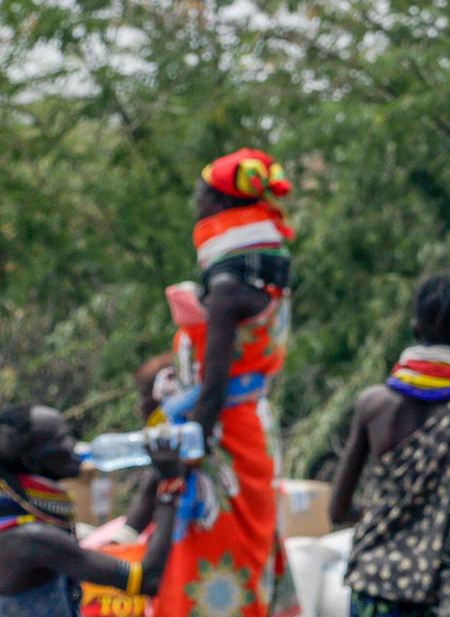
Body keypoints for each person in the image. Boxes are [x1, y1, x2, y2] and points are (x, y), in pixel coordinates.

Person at [154, 148, 300, 617]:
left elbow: (214, 387)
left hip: (225, 440)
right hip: (253, 428)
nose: (196, 203)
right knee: (245, 545)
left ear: (219, 204)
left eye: (201, 194)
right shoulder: (261, 284)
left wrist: (186, 457)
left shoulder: (225, 290)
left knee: (219, 550)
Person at [331, 272, 450, 617]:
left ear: (414, 329)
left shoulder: (372, 405)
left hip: (372, 587)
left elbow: (337, 511)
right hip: (440, 596)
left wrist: (396, 518)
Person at [0, 404, 186, 617]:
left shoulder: (22, 522)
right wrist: (170, 488)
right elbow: (148, 580)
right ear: (31, 460)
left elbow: (123, 536)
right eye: (63, 438)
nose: (76, 445)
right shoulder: (33, 538)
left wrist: (160, 475)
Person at [75, 356, 181, 617]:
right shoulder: (164, 451)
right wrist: (113, 547)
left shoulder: (180, 447)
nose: (140, 408)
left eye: (144, 397)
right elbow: (140, 513)